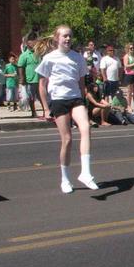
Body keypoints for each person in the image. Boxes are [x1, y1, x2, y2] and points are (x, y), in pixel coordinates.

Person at [35, 25, 99, 194]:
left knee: (86, 128)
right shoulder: (49, 58)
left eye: (70, 36)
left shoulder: (78, 58)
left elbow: (81, 81)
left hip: (76, 99)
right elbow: (42, 85)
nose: (68, 39)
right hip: (58, 100)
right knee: (67, 140)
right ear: (57, 39)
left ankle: (85, 172)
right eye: (64, 36)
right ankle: (65, 178)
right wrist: (46, 108)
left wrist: (83, 99)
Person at [18, 34, 47, 119]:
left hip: (40, 79)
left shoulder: (39, 53)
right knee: (31, 97)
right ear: (27, 43)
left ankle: (45, 112)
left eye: (35, 41)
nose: (34, 43)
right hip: (30, 80)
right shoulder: (24, 55)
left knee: (42, 97)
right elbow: (20, 67)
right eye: (32, 42)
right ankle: (33, 112)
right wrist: (22, 79)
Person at [122, 43, 134, 109]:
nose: (132, 49)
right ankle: (128, 105)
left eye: (133, 48)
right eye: (131, 48)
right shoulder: (126, 56)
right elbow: (126, 65)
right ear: (127, 49)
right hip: (129, 75)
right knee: (129, 91)